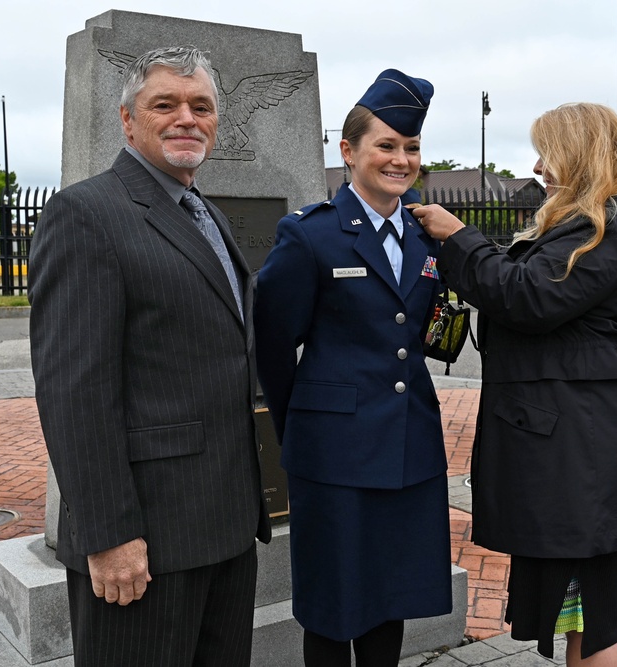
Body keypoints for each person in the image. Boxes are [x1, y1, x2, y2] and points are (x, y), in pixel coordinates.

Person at [29, 46, 271, 666]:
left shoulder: (205, 214)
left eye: (201, 106)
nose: (186, 118)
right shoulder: (85, 214)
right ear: (127, 120)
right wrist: (111, 535)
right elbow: (74, 392)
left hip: (224, 528)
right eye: (164, 104)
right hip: (144, 543)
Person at [413, 103, 617, 666]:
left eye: (547, 154)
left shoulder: (605, 224)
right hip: (593, 448)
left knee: (597, 622)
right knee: (589, 618)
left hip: (587, 458)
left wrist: (460, 238)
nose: (537, 166)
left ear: (578, 154)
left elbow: (527, 296)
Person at [254, 69, 451, 667]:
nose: (400, 159)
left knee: (390, 597)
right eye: (386, 146)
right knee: (332, 604)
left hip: (408, 444)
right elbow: (273, 345)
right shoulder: (310, 235)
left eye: (410, 147)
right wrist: (306, 427)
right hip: (334, 452)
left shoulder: (427, 234)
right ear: (348, 151)